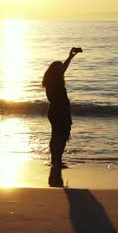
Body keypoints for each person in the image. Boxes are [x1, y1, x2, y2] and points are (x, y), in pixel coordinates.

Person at [42, 47, 82, 185]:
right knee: (62, 137)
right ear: (56, 72)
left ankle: (55, 161)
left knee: (56, 137)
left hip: (55, 111)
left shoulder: (49, 82)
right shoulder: (55, 82)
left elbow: (62, 69)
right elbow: (63, 69)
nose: (62, 72)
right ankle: (57, 161)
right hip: (60, 112)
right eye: (59, 70)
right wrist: (70, 57)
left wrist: (70, 57)